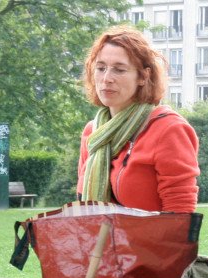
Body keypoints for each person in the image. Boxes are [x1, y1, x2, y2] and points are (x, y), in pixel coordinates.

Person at [76, 26, 199, 212]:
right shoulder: (93, 132)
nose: (107, 78)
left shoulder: (169, 129)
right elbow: (81, 206)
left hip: (151, 240)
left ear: (143, 76)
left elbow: (180, 215)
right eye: (100, 68)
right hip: (97, 240)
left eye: (119, 70)